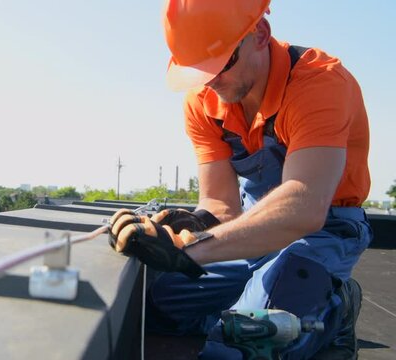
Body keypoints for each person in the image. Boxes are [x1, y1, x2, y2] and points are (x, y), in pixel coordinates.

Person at [108, 0, 371, 358]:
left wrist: (187, 249)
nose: (210, 81)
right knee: (159, 308)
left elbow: (304, 205)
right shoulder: (203, 101)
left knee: (250, 342)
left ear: (260, 34)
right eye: (199, 71)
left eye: (219, 65)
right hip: (249, 229)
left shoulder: (318, 83)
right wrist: (194, 223)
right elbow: (221, 204)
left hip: (323, 230)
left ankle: (333, 309)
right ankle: (258, 305)